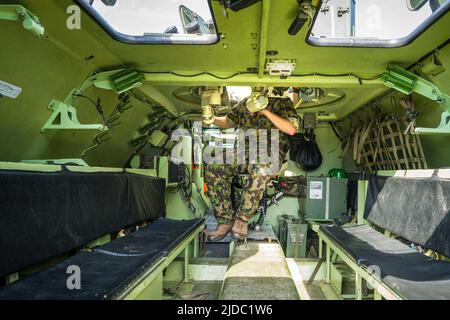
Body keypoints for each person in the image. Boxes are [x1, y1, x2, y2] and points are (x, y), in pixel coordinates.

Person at [204, 89, 299, 241]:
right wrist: (212, 119)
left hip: (270, 151)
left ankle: (242, 220)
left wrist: (265, 111)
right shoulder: (245, 103)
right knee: (213, 166)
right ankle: (225, 220)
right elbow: (229, 121)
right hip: (244, 151)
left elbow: (291, 129)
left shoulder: (283, 102)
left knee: (260, 168)